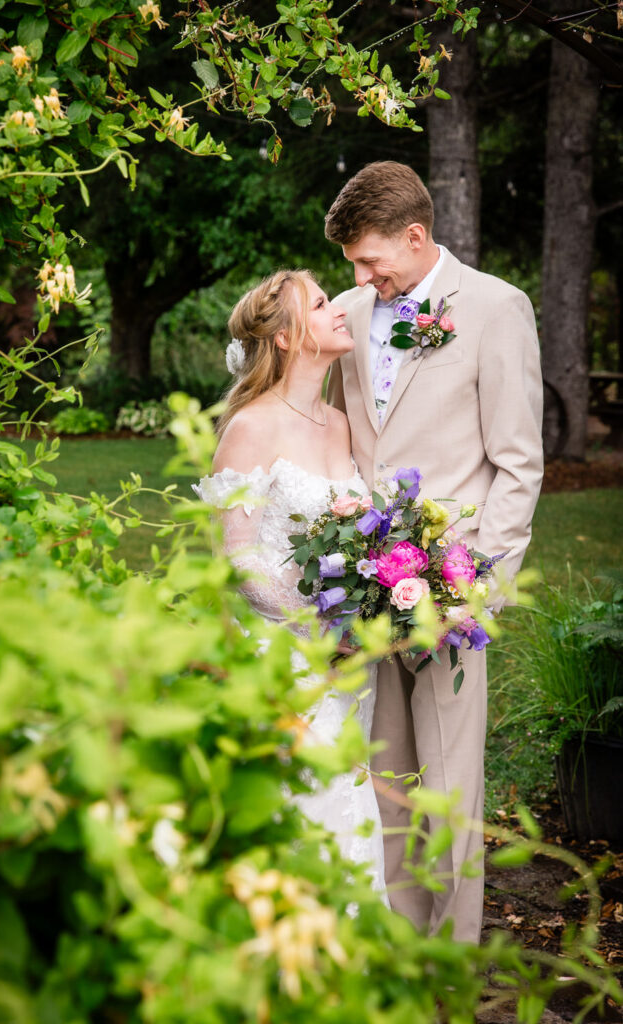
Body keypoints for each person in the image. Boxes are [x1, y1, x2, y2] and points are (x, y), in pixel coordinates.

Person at [325, 161, 544, 943]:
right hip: (362, 584)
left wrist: (475, 586)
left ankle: (451, 954)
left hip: (452, 588)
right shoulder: (349, 312)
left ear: (415, 237)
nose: (359, 276)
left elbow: (517, 464)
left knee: (449, 782)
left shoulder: (494, 308)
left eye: (369, 258)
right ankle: (398, 943)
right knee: (383, 773)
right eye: (352, 262)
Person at [194, 269, 387, 896]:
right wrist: (321, 628)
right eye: (323, 303)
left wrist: (364, 618)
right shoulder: (251, 426)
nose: (339, 310)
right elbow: (239, 558)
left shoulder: (340, 423)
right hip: (290, 659)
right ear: (285, 338)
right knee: (302, 810)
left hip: (353, 662)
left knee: (352, 809)